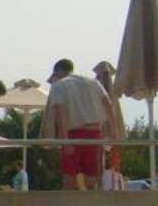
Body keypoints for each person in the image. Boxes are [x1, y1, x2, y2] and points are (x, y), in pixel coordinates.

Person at [45, 59, 115, 191]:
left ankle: (68, 204)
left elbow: (60, 113)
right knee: (91, 181)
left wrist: (65, 141)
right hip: (95, 134)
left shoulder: (59, 86)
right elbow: (109, 105)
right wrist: (114, 133)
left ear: (57, 72)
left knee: (69, 180)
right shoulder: (93, 82)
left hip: (73, 134)